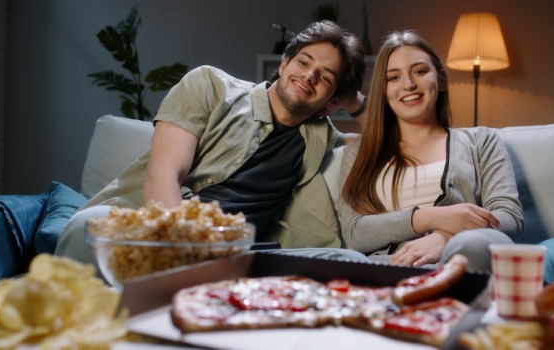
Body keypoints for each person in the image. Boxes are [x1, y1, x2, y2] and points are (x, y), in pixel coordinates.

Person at [55, 20, 370, 265]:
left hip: (244, 255)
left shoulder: (321, 136)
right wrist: (184, 249)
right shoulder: (211, 87)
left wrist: (354, 101)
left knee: (350, 262)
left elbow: (391, 140)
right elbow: (164, 176)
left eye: (325, 77)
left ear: (332, 101)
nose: (310, 75)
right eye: (304, 62)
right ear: (284, 63)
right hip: (162, 231)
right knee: (88, 227)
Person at [336, 31, 523, 273]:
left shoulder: (481, 141)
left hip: (458, 264)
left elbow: (509, 217)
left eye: (420, 71)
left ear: (441, 80)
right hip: (387, 269)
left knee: (473, 245)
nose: (408, 84)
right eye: (394, 77)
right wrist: (430, 217)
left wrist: (446, 238)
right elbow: (354, 232)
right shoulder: (358, 153)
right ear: (383, 92)